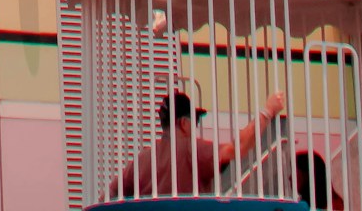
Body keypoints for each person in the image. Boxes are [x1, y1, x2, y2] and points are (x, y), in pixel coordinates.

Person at [113, 84, 287, 197]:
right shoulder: (191, 149)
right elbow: (239, 147)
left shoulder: (142, 159)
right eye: (194, 120)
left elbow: (110, 195)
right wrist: (268, 111)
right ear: (183, 122)